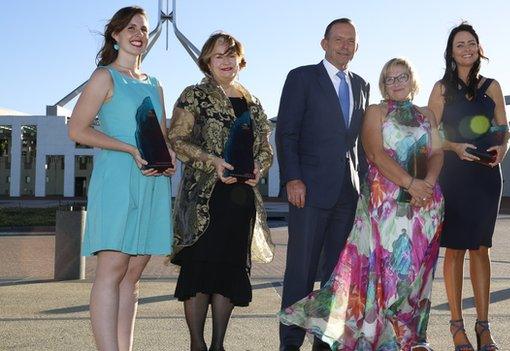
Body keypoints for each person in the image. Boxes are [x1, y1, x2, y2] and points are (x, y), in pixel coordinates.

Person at [279, 58, 444, 351]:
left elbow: (437, 152)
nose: (396, 82)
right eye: (389, 78)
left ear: (412, 78)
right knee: (383, 270)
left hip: (424, 205)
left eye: (401, 76)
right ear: (383, 84)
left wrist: (428, 183)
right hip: (387, 205)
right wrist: (411, 184)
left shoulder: (427, 114)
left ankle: (410, 337)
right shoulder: (375, 111)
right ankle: (378, 336)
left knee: (416, 272)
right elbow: (375, 154)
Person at [68, 6, 175, 351]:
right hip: (117, 179)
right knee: (111, 271)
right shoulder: (104, 77)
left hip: (151, 181)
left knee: (132, 277)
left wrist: (168, 157)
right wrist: (128, 148)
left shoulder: (155, 84)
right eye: (131, 27)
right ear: (115, 35)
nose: (139, 33)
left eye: (144, 29)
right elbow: (77, 130)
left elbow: (160, 135)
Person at [167, 32, 274, 351]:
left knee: (229, 271)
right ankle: (197, 344)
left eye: (231, 55)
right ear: (207, 62)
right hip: (205, 198)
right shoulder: (194, 95)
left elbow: (265, 147)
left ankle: (218, 346)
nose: (226, 61)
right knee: (200, 271)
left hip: (240, 202)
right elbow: (177, 139)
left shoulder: (252, 101)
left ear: (240, 60)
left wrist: (258, 167)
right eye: (218, 56)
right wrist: (211, 160)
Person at [275, 18, 370, 351]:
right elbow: (286, 132)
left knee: (336, 276)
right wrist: (292, 178)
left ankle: (325, 341)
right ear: (324, 43)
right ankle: (290, 343)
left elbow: (358, 142)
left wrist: (366, 187)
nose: (344, 46)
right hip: (309, 190)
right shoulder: (302, 78)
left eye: (350, 41)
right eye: (338, 39)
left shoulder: (361, 84)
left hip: (348, 192)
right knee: (301, 271)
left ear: (356, 47)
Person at [427, 22, 510, 351]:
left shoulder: (492, 86)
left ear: (479, 48)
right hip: (454, 176)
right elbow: (431, 134)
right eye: (459, 44)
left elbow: (507, 129)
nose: (466, 48)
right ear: (451, 51)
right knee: (456, 248)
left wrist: (505, 148)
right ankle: (456, 326)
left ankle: (483, 327)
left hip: (488, 177)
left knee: (481, 248)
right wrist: (455, 148)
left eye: (471, 43)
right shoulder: (441, 89)